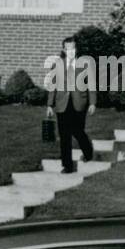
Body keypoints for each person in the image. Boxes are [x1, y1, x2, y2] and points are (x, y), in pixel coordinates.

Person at [46, 35, 96, 174]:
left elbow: (91, 84)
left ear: (76, 49)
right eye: (68, 49)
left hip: (79, 102)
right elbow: (53, 85)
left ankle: (88, 152)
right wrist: (50, 105)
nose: (71, 52)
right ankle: (67, 165)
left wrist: (92, 103)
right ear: (64, 50)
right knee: (64, 135)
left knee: (78, 131)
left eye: (73, 49)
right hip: (62, 103)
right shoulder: (58, 64)